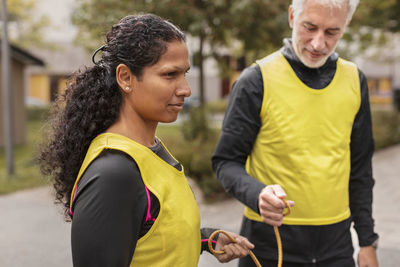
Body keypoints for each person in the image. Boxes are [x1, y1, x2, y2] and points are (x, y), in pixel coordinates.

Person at [38, 14, 254, 267]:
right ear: (126, 78)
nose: (186, 89)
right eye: (170, 75)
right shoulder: (114, 173)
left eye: (184, 73)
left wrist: (205, 240)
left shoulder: (149, 150)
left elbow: (151, 236)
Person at [212, 0, 379, 266]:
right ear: (292, 16)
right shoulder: (255, 80)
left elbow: (360, 170)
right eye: (309, 27)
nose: (317, 43)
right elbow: (225, 162)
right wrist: (257, 194)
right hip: (269, 242)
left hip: (337, 244)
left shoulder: (354, 80)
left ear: (345, 25)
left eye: (331, 32)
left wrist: (367, 242)